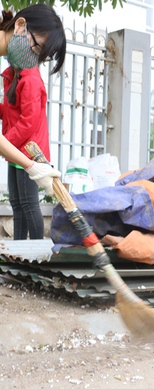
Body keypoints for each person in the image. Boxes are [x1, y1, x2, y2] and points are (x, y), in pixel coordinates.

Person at [0, 5, 66, 239]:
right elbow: (12, 113)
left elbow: (28, 123)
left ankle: (34, 247)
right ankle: (20, 249)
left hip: (28, 151)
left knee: (27, 204)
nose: (35, 57)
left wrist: (5, 144)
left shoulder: (31, 80)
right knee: (18, 204)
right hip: (15, 149)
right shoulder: (13, 75)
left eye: (40, 54)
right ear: (19, 25)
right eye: (37, 47)